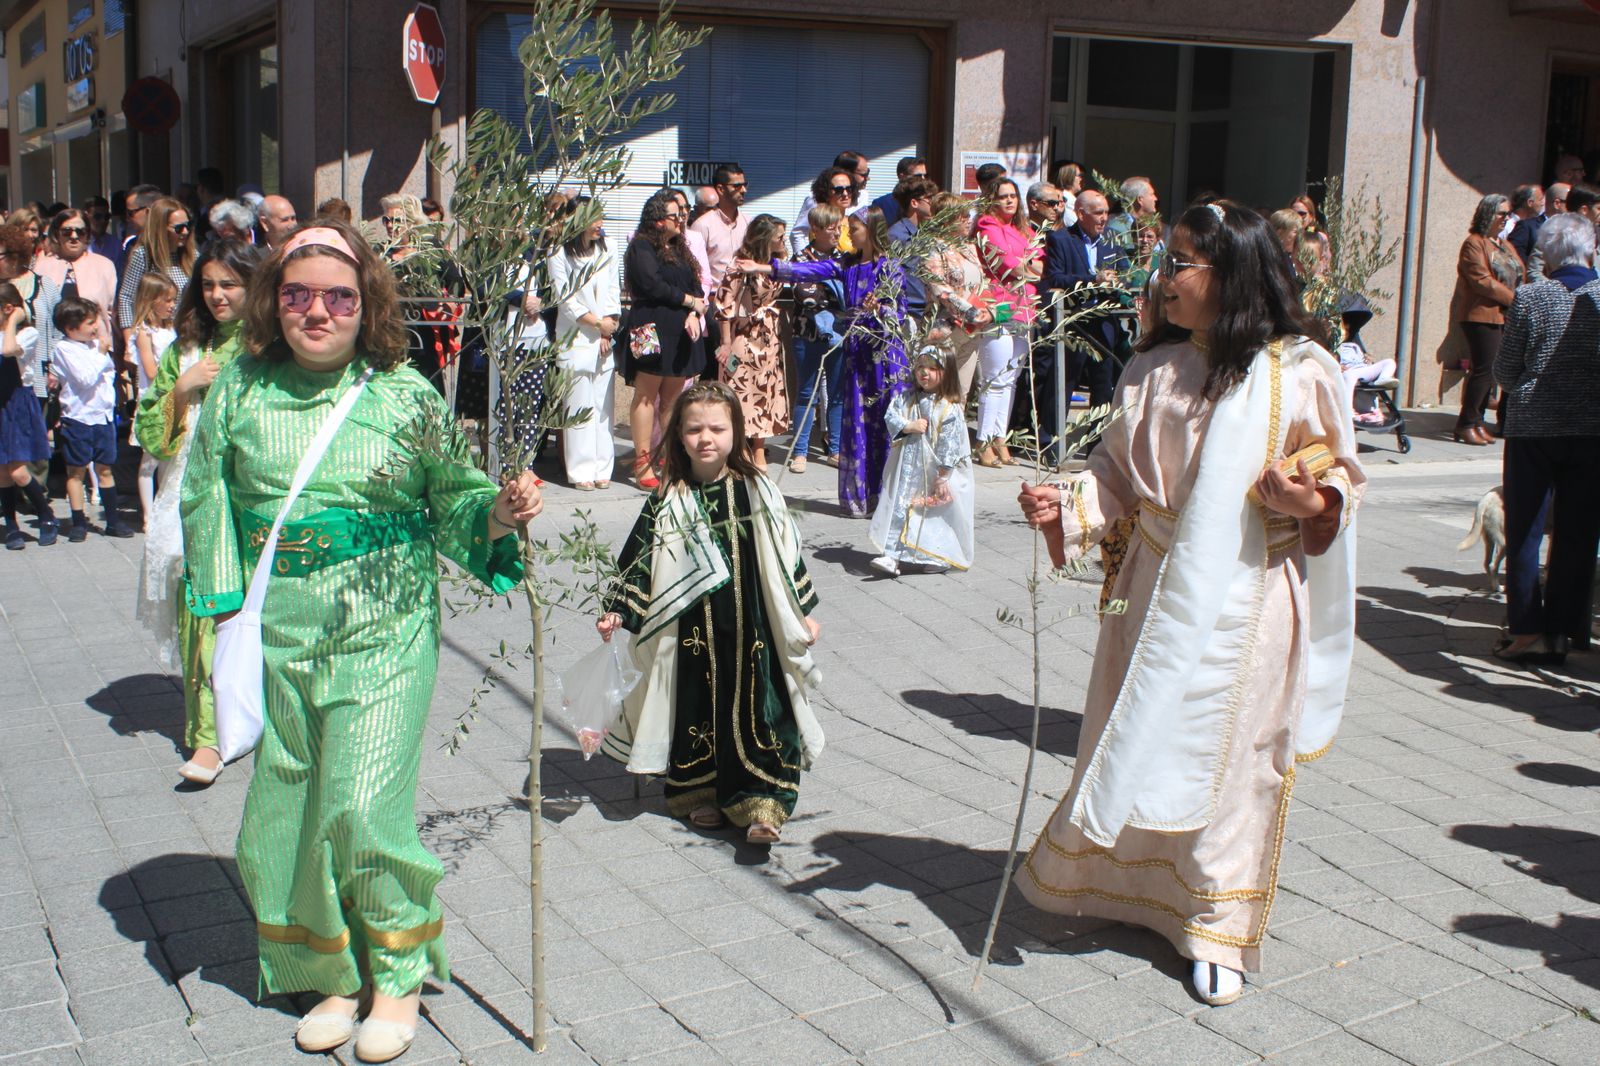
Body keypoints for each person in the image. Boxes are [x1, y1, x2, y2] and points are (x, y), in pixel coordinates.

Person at [180, 220, 541, 1061]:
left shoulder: (404, 393)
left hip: (385, 624)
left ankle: (400, 972)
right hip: (280, 630)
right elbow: (205, 495)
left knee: (361, 802)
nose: (317, 311)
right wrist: (223, 605)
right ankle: (331, 970)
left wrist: (497, 512)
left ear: (365, 302)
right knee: (286, 807)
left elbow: (452, 495)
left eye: (337, 296)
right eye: (298, 294)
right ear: (275, 300)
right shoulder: (239, 386)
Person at [1017, 200, 1363, 1007]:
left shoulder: (1297, 369)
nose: (1161, 278)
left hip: (1250, 592)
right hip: (1152, 583)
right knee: (1130, 723)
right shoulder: (1152, 369)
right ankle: (1134, 890)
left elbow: (1341, 472)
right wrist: (1065, 503)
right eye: (1164, 262)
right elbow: (1114, 473)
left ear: (1231, 274)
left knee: (1237, 753)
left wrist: (1306, 500)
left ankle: (1215, 921)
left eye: (1179, 264)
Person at [596, 381, 822, 845]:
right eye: (695, 428)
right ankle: (698, 792)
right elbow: (640, 558)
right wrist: (619, 610)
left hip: (753, 625)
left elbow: (786, 555)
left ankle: (765, 803)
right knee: (694, 706)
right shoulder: (667, 499)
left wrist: (802, 611)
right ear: (677, 434)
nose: (706, 438)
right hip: (690, 630)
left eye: (718, 428)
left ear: (736, 432)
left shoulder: (757, 490)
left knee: (762, 708)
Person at [132, 240, 262, 783]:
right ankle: (207, 737)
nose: (216, 295)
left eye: (229, 284)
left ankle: (263, 720)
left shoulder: (271, 346)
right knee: (202, 614)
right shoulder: (185, 349)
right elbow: (150, 437)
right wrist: (182, 390)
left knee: (260, 614)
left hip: (258, 501)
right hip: (194, 501)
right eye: (207, 284)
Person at [738, 206, 907, 518]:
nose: (847, 234)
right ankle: (861, 498)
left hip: (883, 356)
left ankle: (889, 497)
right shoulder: (849, 262)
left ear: (869, 230)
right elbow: (810, 271)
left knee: (884, 424)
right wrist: (765, 268)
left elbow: (900, 313)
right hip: (857, 352)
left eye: (853, 228)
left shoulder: (889, 267)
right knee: (857, 421)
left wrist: (880, 309)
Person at [1491, 213, 1600, 665]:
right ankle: (1565, 627)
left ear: (1547, 256)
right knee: (1579, 532)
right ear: (1590, 251)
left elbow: (1504, 370)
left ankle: (1529, 629)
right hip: (1592, 430)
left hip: (1534, 427)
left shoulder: (1532, 297)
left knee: (1526, 529)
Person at [623, 190, 708, 489]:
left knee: (673, 397)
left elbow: (698, 289)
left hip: (680, 332)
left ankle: (669, 457)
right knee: (646, 394)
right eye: (676, 215)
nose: (682, 219)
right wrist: (688, 301)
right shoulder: (641, 247)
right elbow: (651, 285)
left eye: (683, 214)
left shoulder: (681, 247)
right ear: (658, 220)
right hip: (647, 328)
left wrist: (694, 313)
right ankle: (642, 462)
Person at [868, 347, 974, 576]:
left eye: (932, 368)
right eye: (919, 367)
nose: (924, 373)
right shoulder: (907, 398)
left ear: (945, 373)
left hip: (932, 472)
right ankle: (892, 555)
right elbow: (891, 415)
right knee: (900, 506)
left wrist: (943, 476)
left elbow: (950, 444)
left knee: (932, 512)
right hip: (907, 469)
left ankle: (936, 553)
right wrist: (908, 426)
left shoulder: (949, 408)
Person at [1043, 188, 1129, 451]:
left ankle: (1096, 445)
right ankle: (1050, 443)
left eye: (1106, 212)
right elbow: (1055, 278)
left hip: (1104, 320)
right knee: (1064, 382)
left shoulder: (1112, 240)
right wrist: (1092, 280)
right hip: (1074, 319)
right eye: (1098, 213)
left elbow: (1126, 271)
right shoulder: (1061, 239)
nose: (1104, 218)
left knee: (1103, 385)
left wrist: (1119, 280)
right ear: (1081, 214)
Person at [548, 198, 622, 489]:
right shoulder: (558, 254)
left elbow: (613, 289)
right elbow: (565, 301)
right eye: (594, 219)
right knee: (578, 405)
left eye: (601, 218)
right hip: (575, 338)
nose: (599, 225)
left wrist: (608, 328)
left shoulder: (610, 247)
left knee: (603, 407)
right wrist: (596, 324)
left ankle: (603, 466)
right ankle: (580, 470)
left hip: (604, 336)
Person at [972, 176, 1041, 467]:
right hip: (999, 304)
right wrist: (1023, 266)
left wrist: (1024, 266)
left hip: (1025, 307)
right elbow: (1006, 265)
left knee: (1011, 379)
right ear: (991, 199)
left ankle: (1000, 437)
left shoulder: (1023, 228)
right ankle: (983, 440)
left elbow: (1038, 265)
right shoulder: (987, 225)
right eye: (1003, 196)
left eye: (1013, 195)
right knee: (994, 379)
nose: (1010, 200)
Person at [52, 296, 133, 541]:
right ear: (71, 328)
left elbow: (106, 376)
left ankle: (112, 520)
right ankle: (78, 521)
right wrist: (100, 353)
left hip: (102, 417)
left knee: (105, 468)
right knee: (76, 471)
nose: (95, 327)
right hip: (78, 418)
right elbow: (84, 379)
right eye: (89, 323)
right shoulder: (64, 348)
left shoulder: (93, 346)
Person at [714, 214, 789, 471]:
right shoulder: (739, 266)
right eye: (779, 236)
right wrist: (725, 342)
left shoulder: (777, 262)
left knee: (767, 390)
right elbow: (724, 305)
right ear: (766, 239)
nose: (783, 240)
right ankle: (740, 447)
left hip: (770, 335)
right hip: (744, 335)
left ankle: (759, 448)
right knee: (743, 391)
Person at [1450, 194, 1524, 445]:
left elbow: (1519, 273)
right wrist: (1514, 300)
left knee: (1493, 372)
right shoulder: (1474, 243)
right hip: (1481, 315)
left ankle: (1479, 420)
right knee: (1483, 369)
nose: (1505, 218)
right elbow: (1481, 281)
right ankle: (1466, 423)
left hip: (1504, 317)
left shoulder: (1503, 245)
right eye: (1500, 213)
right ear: (1487, 214)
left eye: (1507, 214)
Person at [788, 204, 848, 473]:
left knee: (837, 393)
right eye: (831, 227)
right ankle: (799, 451)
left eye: (839, 226)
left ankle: (835, 449)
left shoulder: (845, 258)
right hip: (807, 333)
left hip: (839, 332)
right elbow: (806, 294)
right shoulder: (801, 259)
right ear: (815, 229)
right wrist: (835, 296)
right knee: (806, 393)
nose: (837, 231)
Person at [0, 280, 58, 549]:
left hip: (16, 402)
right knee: (2, 470)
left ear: (8, 308)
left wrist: (14, 321)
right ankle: (11, 524)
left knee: (18, 470)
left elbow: (8, 351)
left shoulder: (27, 333)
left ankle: (46, 513)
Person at [923, 191, 994, 401]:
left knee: (960, 395)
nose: (967, 219)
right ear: (945, 219)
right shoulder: (931, 248)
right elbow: (940, 290)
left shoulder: (970, 248)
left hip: (972, 331)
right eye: (961, 215)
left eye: (967, 214)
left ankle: (955, 434)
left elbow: (984, 283)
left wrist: (990, 311)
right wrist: (971, 312)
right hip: (946, 331)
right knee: (938, 394)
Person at [126, 273, 180, 523]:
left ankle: (163, 507)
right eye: (167, 300)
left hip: (173, 398)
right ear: (151, 300)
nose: (171, 305)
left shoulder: (171, 329)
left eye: (173, 300)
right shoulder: (143, 332)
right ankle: (148, 513)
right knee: (150, 460)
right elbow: (149, 370)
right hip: (155, 400)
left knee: (168, 458)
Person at [0, 224, 61, 413]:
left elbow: (57, 331)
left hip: (36, 377)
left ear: (14, 255)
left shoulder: (44, 285)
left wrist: (54, 369)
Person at [36, 209, 119, 345]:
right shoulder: (41, 267)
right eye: (67, 231)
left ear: (87, 235)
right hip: (52, 348)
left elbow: (113, 311)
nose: (74, 236)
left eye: (80, 232)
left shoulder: (104, 265)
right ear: (57, 234)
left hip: (95, 348)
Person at [118, 197, 196, 330]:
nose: (185, 232)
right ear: (161, 228)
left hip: (187, 331)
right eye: (179, 228)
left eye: (188, 226)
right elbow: (127, 297)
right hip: (156, 332)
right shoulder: (143, 255)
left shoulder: (193, 256)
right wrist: (128, 339)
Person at [689, 163, 749, 289]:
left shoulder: (748, 224)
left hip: (743, 300)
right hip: (712, 300)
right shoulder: (702, 226)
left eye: (744, 185)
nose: (744, 190)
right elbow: (691, 269)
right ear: (721, 189)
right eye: (737, 186)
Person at [886, 176, 937, 323]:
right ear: (914, 203)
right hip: (911, 312)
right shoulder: (896, 235)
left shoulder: (928, 232)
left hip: (929, 310)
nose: (933, 203)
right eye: (929, 199)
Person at [791, 168, 859, 256]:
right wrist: (804, 262)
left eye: (849, 189)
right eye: (838, 190)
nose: (845, 194)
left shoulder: (856, 222)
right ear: (826, 191)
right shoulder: (819, 219)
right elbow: (798, 234)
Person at [870, 156, 929, 226]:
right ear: (902, 177)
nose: (923, 179)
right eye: (918, 176)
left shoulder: (928, 202)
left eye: (925, 176)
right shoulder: (882, 204)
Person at [1507, 184, 1546, 270]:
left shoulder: (1536, 224)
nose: (1543, 204)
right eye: (1540, 200)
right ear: (1530, 203)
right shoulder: (1508, 226)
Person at [1055, 163, 1085, 228]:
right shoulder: (1065, 200)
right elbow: (1076, 225)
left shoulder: (1071, 199)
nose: (1081, 179)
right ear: (1069, 176)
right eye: (1080, 175)